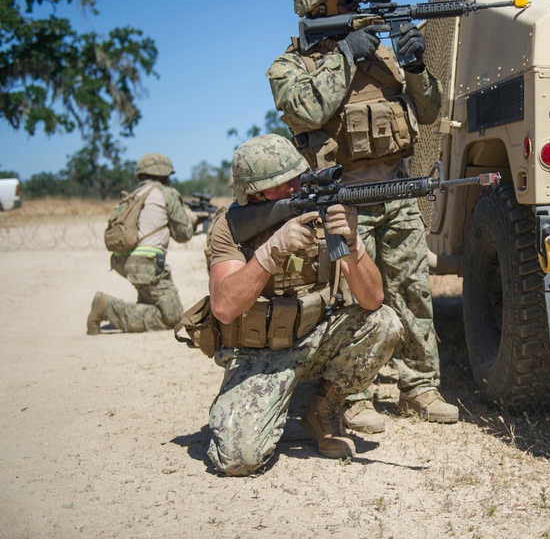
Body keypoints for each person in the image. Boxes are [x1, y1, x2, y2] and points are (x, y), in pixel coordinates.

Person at [266, 0, 457, 432]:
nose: (356, 6)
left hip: (397, 188)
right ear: (316, 5)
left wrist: (414, 63)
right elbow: (310, 110)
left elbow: (430, 111)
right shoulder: (290, 68)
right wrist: (346, 53)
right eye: (346, 0)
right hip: (340, 200)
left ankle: (421, 388)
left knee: (412, 290)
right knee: (351, 299)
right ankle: (353, 395)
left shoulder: (380, 55)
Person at [203, 134, 402, 475]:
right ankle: (266, 402)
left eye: (298, 177)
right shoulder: (229, 227)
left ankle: (322, 409)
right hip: (257, 355)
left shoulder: (322, 210)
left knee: (384, 322)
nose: (296, 188)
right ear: (254, 194)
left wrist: (352, 245)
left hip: (314, 342)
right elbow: (223, 307)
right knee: (238, 460)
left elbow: (373, 299)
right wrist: (271, 251)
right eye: (282, 185)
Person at [87, 153, 199, 334]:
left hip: (122, 261)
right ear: (163, 175)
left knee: (152, 299)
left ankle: (134, 307)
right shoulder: (166, 193)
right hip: (145, 263)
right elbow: (183, 235)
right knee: (173, 317)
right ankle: (107, 307)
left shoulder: (136, 194)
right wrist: (192, 219)